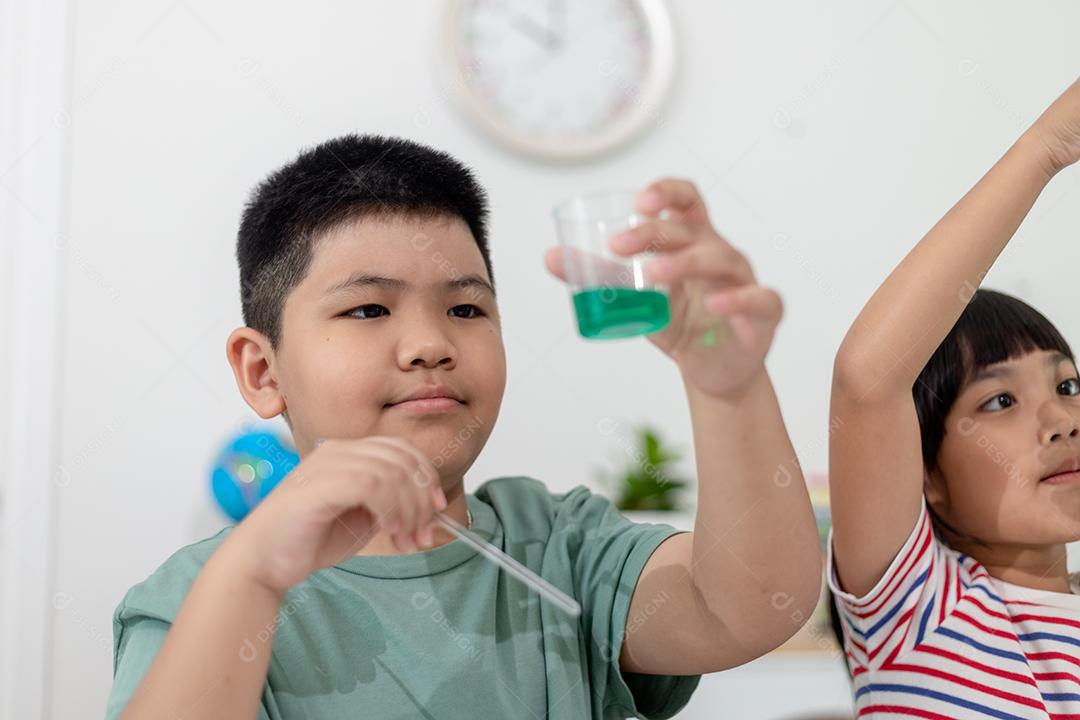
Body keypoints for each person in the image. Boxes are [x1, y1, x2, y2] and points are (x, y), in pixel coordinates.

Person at [106, 134, 823, 719]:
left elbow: (752, 607)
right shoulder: (197, 596)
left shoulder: (559, 547)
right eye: (368, 310)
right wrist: (254, 577)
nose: (431, 344)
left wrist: (727, 387)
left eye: (466, 309)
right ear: (263, 372)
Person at [827, 77, 1080, 717]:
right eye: (1000, 401)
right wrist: (1047, 147)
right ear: (927, 475)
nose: (1062, 422)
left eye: (1068, 385)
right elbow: (868, 379)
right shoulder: (919, 610)